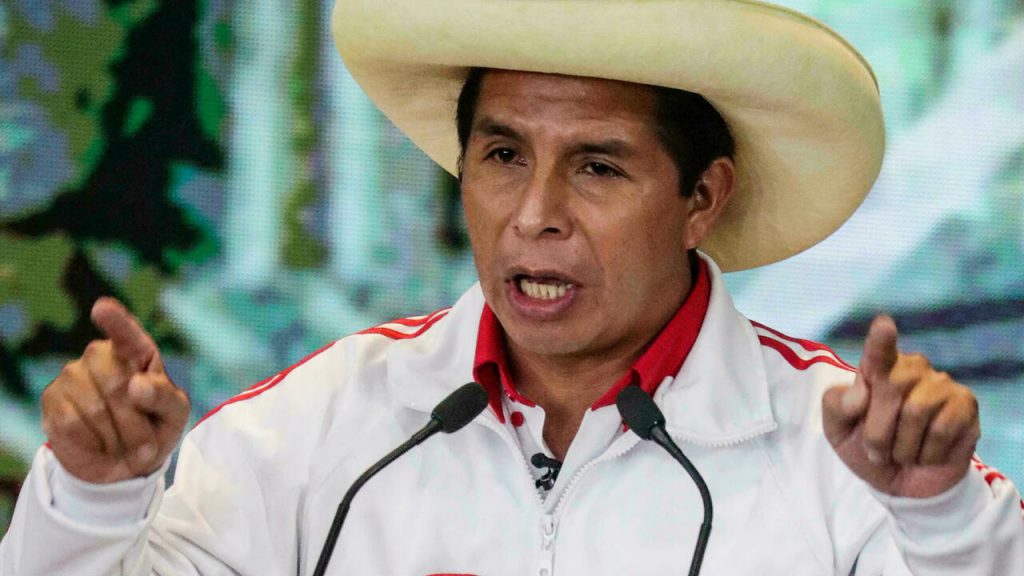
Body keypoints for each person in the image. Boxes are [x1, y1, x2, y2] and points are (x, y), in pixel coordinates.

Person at [3, 1, 1023, 574]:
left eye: (598, 166)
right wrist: (93, 496)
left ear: (702, 198)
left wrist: (938, 521)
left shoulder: (839, 449)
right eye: (501, 156)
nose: (534, 213)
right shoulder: (320, 424)